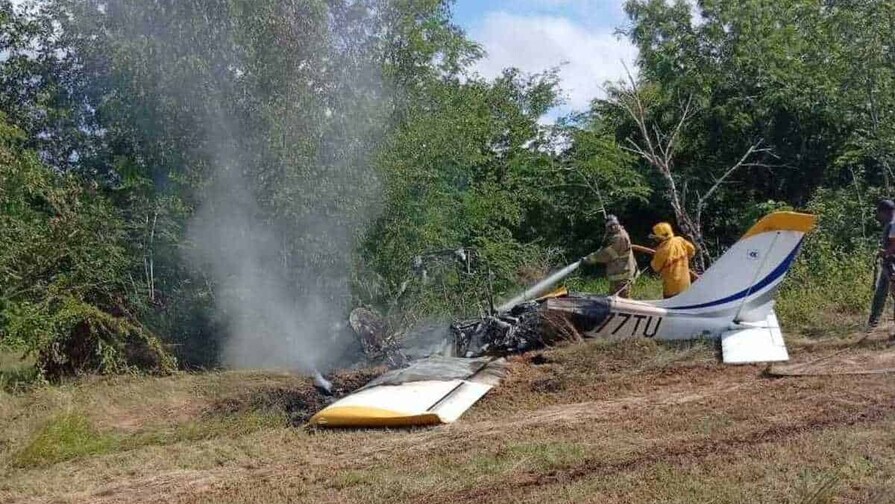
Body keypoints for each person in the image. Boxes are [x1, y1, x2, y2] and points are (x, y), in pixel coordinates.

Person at [582, 215, 637, 298]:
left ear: (618, 223)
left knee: (622, 301)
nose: (613, 227)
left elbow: (607, 255)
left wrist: (590, 258)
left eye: (614, 224)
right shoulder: (613, 235)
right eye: (610, 226)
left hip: (623, 275)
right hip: (618, 275)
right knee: (614, 299)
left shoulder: (620, 237)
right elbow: (603, 248)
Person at [649, 222, 696, 299]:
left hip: (672, 289)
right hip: (686, 284)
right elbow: (692, 251)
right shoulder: (680, 240)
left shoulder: (662, 251)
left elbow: (655, 267)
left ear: (660, 237)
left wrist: (655, 257)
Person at [868, 199, 895, 330]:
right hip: (887, 264)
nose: (879, 216)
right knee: (880, 294)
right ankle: (872, 323)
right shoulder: (890, 224)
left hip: (892, 265)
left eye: (879, 213)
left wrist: (884, 252)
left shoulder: (893, 224)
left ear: (884, 212)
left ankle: (873, 323)